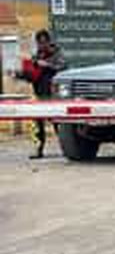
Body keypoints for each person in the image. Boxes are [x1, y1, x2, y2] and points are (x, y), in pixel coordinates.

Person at [15, 29, 66, 159]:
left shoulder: (57, 54)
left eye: (44, 42)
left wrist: (47, 65)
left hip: (53, 95)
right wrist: (21, 74)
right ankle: (38, 150)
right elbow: (33, 76)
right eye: (39, 43)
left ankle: (67, 149)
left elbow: (62, 67)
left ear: (49, 41)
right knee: (37, 125)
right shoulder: (37, 56)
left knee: (58, 125)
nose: (42, 45)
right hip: (39, 94)